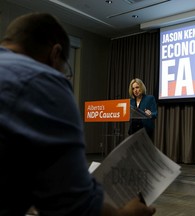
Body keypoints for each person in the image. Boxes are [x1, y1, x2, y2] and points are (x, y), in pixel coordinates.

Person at [0, 13, 156, 216]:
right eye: (64, 70)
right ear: (55, 54)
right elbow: (76, 207)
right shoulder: (43, 82)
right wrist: (125, 214)